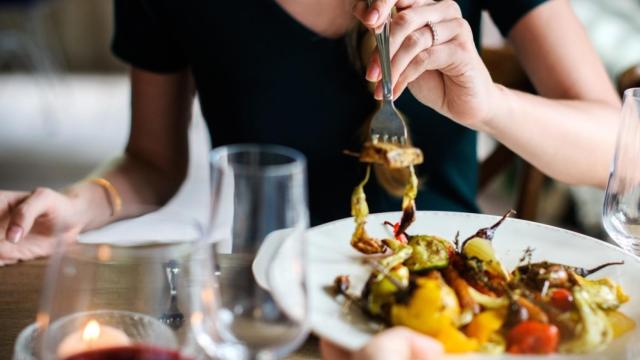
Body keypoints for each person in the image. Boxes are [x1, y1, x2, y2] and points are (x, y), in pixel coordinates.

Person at [0, 0, 619, 269]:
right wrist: (80, 205)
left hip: (450, 302)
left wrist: (490, 107)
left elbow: (628, 151)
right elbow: (152, 162)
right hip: (274, 298)